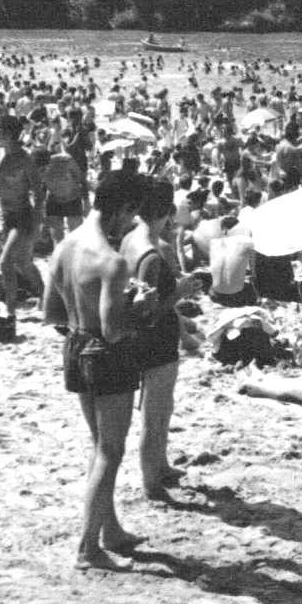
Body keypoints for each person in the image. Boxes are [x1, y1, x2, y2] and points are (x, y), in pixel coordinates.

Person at [42, 170, 152, 571]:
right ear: (123, 208)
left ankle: (109, 529)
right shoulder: (111, 261)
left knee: (98, 445)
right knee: (110, 450)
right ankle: (88, 548)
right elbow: (114, 330)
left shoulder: (63, 247)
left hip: (74, 347)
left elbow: (49, 313)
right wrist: (138, 307)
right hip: (106, 356)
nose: (131, 225)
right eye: (131, 216)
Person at [122, 177, 205, 500]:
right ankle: (151, 482)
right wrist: (180, 292)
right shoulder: (153, 254)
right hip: (155, 340)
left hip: (146, 338)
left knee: (160, 409)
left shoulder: (131, 238)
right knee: (155, 414)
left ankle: (161, 464)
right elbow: (150, 311)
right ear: (168, 211)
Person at [0, 115, 43, 310]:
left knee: (6, 262)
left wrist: (38, 224)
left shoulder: (25, 158)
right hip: (5, 214)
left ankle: (10, 309)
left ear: (8, 133)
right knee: (23, 263)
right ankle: (46, 296)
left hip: (23, 215)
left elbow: (39, 194)